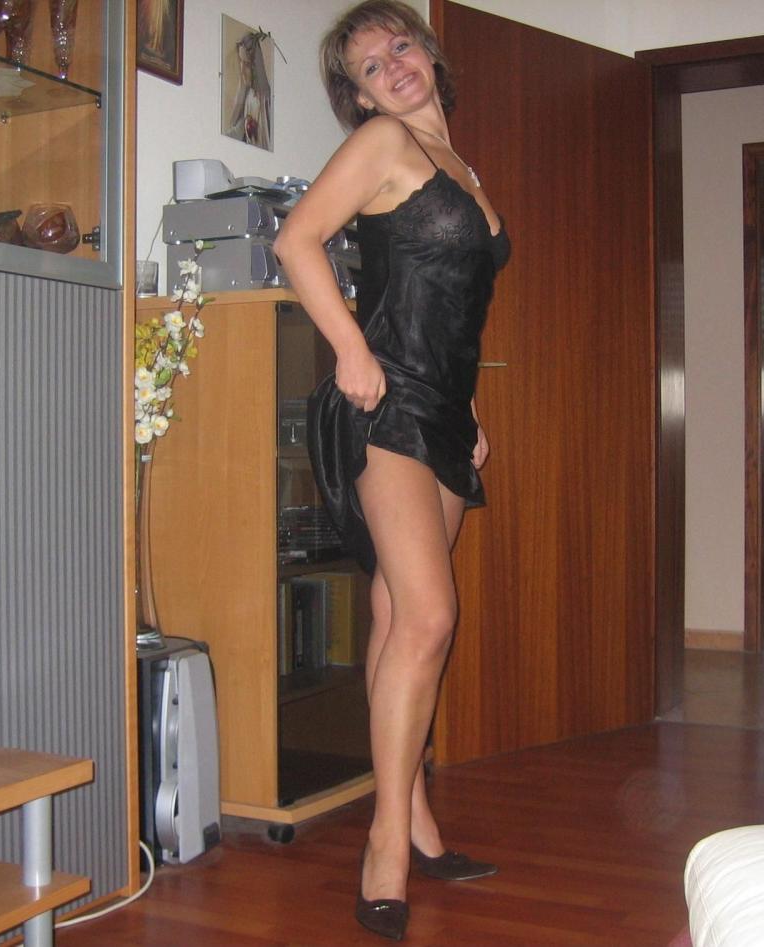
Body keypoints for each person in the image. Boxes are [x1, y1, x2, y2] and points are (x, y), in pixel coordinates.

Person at [273, 1, 510, 939]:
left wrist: (470, 405)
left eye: (399, 45)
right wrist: (349, 350)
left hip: (441, 410)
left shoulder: (460, 164)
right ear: (361, 97)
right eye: (370, 66)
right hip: (381, 405)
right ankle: (385, 842)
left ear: (428, 53)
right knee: (428, 617)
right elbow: (295, 240)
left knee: (393, 615)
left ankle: (416, 820)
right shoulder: (382, 143)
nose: (391, 66)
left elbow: (449, 305)